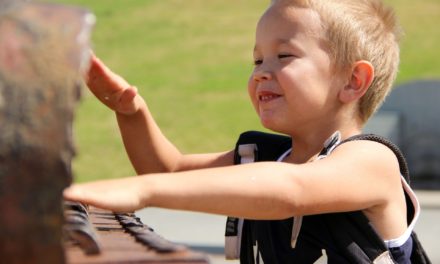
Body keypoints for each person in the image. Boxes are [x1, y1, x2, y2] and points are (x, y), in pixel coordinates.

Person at [64, 0, 421, 263]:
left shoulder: (371, 160)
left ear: (353, 81)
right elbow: (168, 172)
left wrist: (141, 191)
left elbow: (291, 190)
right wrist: (131, 112)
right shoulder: (263, 158)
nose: (262, 72)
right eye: (257, 60)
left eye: (284, 57)